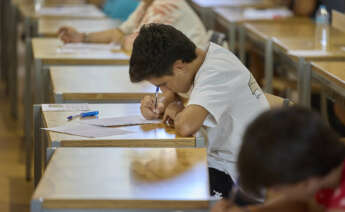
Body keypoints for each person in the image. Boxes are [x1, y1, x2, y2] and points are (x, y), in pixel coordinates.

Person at [129, 23, 269, 198]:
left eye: (162, 84)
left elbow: (186, 126)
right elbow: (184, 92)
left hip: (244, 177)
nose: (164, 89)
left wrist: (177, 111)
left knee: (162, 195)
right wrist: (165, 102)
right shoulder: (202, 59)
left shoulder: (216, 72)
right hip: (227, 162)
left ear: (179, 66)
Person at [212, 106, 345, 212]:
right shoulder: (323, 168)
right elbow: (304, 204)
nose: (274, 192)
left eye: (277, 188)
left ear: (306, 182)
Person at [58, 0, 209, 51]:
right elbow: (119, 32)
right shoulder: (146, 4)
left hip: (192, 83)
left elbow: (137, 46)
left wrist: (124, 38)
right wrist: (82, 37)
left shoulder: (167, 4)